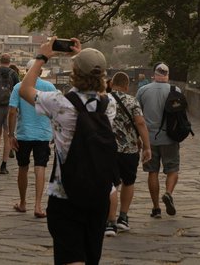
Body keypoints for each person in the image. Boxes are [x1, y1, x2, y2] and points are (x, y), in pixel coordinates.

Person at [18, 37, 117, 265]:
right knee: (91, 255)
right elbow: (98, 88)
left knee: (70, 256)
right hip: (99, 194)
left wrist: (42, 57)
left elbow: (25, 89)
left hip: (66, 193)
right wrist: (80, 57)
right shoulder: (109, 104)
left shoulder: (59, 102)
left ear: (75, 72)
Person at [7, 58, 56, 218]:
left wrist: (11, 134)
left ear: (26, 72)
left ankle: (22, 203)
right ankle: (38, 205)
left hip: (24, 133)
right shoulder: (49, 87)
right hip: (43, 134)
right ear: (40, 71)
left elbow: (12, 111)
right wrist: (55, 132)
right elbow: (55, 111)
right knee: (40, 167)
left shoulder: (18, 87)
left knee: (23, 167)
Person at [104, 71, 152, 237]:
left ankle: (110, 222)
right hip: (129, 150)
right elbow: (140, 123)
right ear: (126, 86)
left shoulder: (104, 100)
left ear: (112, 84)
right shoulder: (132, 101)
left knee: (111, 185)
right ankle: (123, 218)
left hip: (108, 149)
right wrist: (147, 146)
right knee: (128, 182)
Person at [135, 62, 180, 218]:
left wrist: (138, 137)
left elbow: (137, 115)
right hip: (170, 138)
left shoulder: (143, 90)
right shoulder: (175, 90)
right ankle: (168, 193)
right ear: (167, 75)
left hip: (149, 139)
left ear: (154, 74)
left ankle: (156, 208)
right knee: (173, 170)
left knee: (152, 172)